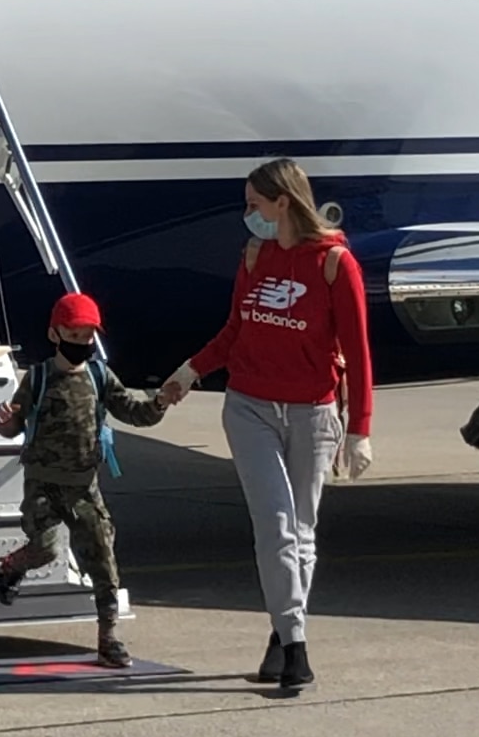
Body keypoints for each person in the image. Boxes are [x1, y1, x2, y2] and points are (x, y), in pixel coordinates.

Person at [159, 158, 375, 693]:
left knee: (302, 533)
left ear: (284, 202)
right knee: (276, 527)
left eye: (254, 204)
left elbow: (358, 351)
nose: (247, 214)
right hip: (250, 406)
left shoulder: (334, 263)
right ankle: (297, 646)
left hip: (313, 412)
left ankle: (281, 633)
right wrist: (188, 373)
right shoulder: (256, 253)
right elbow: (236, 330)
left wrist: (360, 428)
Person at [0, 292, 170, 668]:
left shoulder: (99, 376)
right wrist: (4, 420)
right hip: (42, 485)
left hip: (84, 486)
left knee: (103, 559)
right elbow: (13, 427)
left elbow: (133, 413)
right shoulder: (38, 378)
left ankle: (108, 638)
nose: (82, 344)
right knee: (46, 550)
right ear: (55, 335)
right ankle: (12, 567)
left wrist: (158, 404)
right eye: (74, 336)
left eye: (88, 337)